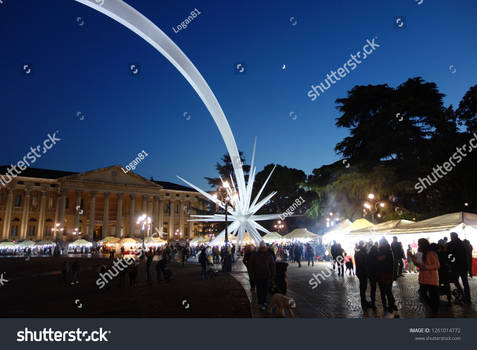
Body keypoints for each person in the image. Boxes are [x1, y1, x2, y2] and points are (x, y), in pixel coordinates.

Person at [411, 238, 440, 312]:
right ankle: (432, 308)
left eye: (419, 243)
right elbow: (418, 264)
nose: (418, 245)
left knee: (433, 296)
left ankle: (434, 311)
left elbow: (437, 265)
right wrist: (412, 257)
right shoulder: (420, 253)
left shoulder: (431, 253)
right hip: (423, 279)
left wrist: (426, 267)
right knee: (423, 295)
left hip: (432, 279)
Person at [249, 241, 276, 310]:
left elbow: (272, 265)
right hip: (262, 275)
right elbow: (272, 265)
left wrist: (252, 274)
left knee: (262, 290)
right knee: (262, 290)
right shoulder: (267, 254)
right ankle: (262, 302)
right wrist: (272, 274)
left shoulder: (256, 255)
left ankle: (262, 302)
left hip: (263, 275)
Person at [447, 232, 471, 303]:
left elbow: (450, 255)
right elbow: (467, 255)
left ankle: (462, 294)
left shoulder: (450, 244)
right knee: (465, 282)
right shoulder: (463, 243)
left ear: (452, 236)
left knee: (455, 280)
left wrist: (452, 262)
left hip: (456, 266)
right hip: (464, 265)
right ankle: (467, 297)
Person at [377, 238, 397, 315]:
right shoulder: (389, 250)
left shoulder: (383, 251)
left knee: (383, 290)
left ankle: (386, 305)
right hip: (389, 273)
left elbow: (380, 259)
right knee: (388, 290)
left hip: (383, 274)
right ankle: (391, 304)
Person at [355, 241, 369, 309]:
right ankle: (363, 302)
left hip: (360, 272)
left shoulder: (357, 252)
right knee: (363, 287)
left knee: (363, 287)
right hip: (362, 272)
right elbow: (362, 263)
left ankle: (364, 301)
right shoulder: (361, 253)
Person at [366, 242, 379, 309]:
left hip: (371, 275)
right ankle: (384, 303)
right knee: (382, 289)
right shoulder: (378, 255)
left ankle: (373, 302)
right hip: (377, 274)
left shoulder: (369, 256)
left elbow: (367, 265)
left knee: (373, 289)